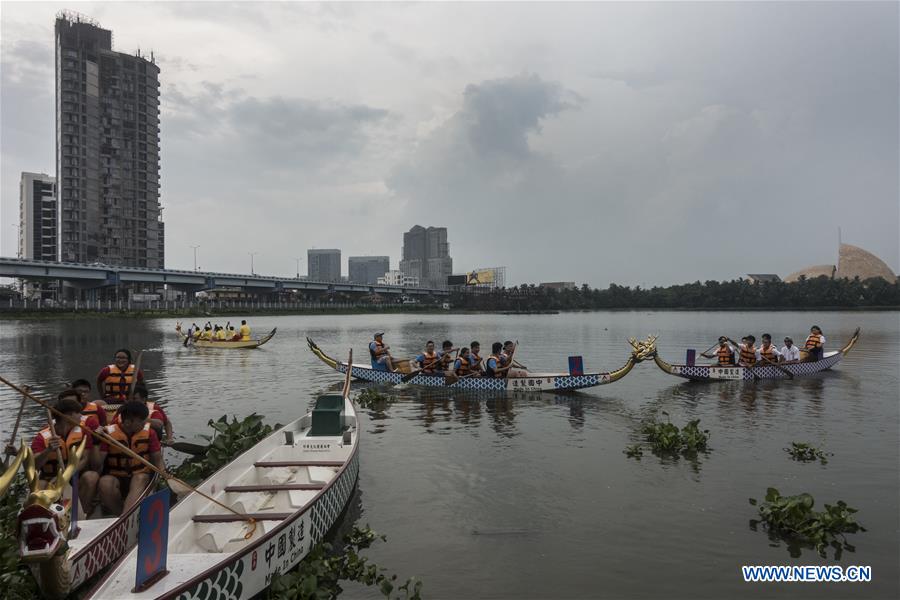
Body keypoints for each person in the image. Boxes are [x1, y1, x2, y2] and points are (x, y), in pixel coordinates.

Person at [30, 394, 99, 511]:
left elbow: (84, 458)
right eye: (78, 413)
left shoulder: (83, 431)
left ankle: (83, 512)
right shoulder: (42, 437)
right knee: (39, 486)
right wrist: (48, 450)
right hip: (50, 477)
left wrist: (66, 475)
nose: (81, 417)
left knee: (91, 477)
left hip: (75, 474)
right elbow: (35, 465)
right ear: (68, 416)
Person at [98, 401, 164, 516]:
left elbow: (157, 459)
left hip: (140, 475)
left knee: (140, 478)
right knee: (105, 482)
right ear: (128, 422)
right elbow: (97, 463)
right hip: (117, 476)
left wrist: (163, 475)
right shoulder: (107, 433)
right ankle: (121, 516)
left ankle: (126, 515)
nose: (145, 424)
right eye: (141, 421)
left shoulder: (150, 433)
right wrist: (97, 440)